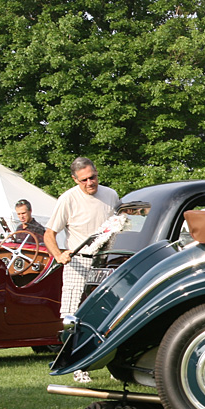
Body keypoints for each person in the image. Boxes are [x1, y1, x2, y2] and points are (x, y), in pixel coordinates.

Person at [44, 158, 120, 383]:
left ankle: (114, 366)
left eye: (93, 177)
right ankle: (78, 366)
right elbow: (49, 234)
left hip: (106, 262)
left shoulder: (111, 195)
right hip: (77, 263)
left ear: (97, 173)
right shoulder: (67, 199)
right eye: (84, 179)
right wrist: (58, 255)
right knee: (72, 317)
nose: (90, 182)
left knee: (112, 314)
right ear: (75, 179)